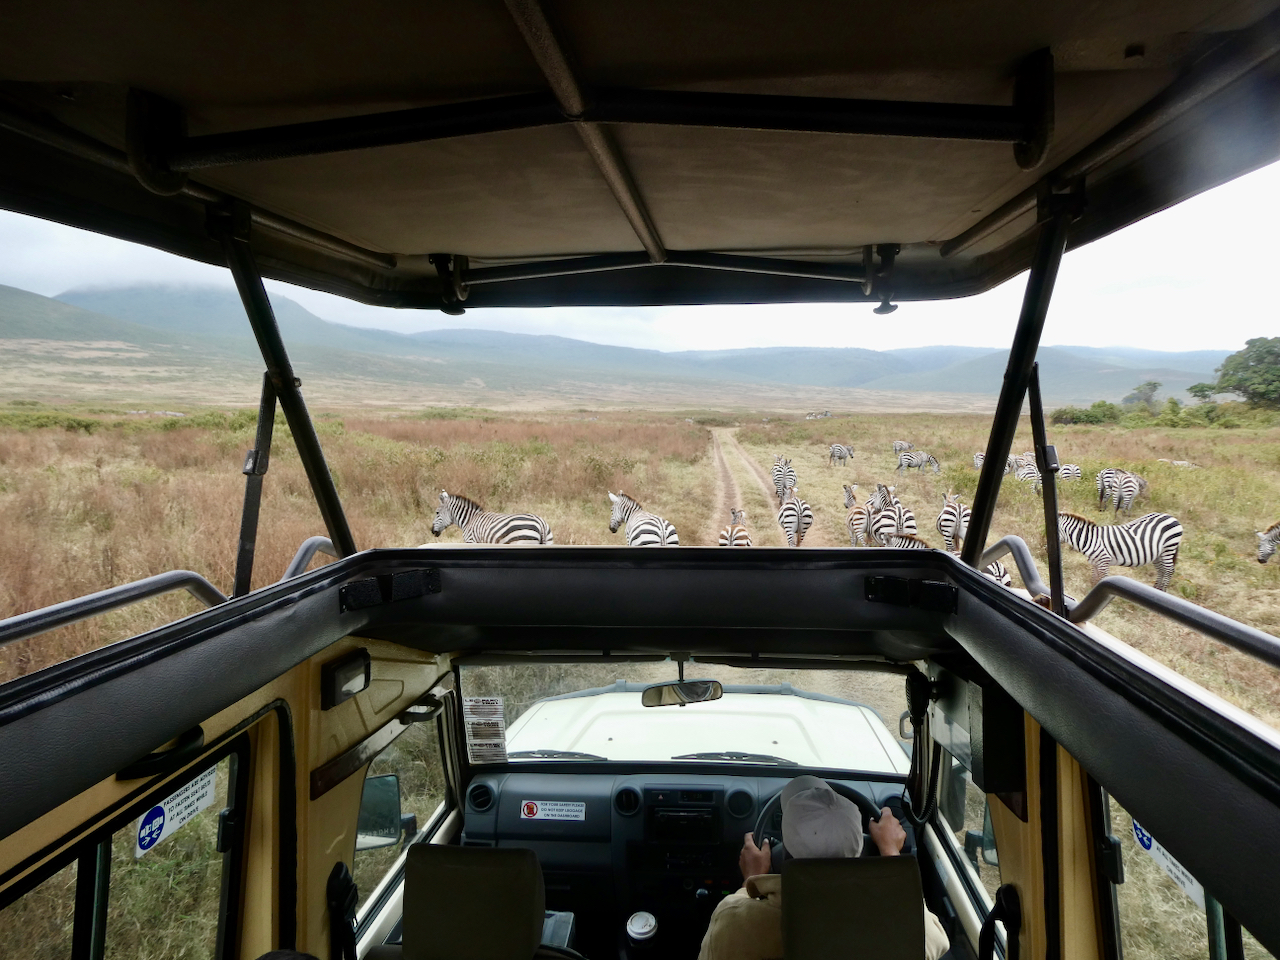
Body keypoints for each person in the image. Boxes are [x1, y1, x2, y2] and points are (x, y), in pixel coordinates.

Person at [697, 776, 950, 960]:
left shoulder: (736, 924)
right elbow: (935, 943)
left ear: (783, 854)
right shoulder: (897, 921)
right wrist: (890, 853)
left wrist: (751, 880)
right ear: (861, 847)